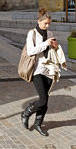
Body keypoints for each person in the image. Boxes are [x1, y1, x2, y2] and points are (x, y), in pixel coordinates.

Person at [20, 8, 60, 137]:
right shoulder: (31, 33)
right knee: (42, 100)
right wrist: (45, 44)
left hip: (48, 69)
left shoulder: (49, 33)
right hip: (37, 69)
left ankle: (38, 124)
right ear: (39, 21)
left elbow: (52, 50)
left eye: (49, 24)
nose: (47, 26)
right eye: (45, 23)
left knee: (46, 99)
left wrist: (54, 45)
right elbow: (31, 51)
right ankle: (26, 112)